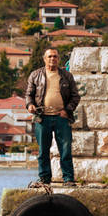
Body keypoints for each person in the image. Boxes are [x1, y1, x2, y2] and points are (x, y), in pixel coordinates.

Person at [25, 47, 80, 187]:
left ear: (58, 58)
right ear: (44, 59)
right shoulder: (35, 75)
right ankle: (44, 179)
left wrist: (67, 110)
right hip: (42, 118)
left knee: (65, 150)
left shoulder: (67, 76)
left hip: (62, 118)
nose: (52, 59)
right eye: (49, 56)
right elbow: (29, 95)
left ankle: (68, 179)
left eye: (55, 56)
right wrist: (30, 105)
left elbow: (75, 96)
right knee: (43, 151)